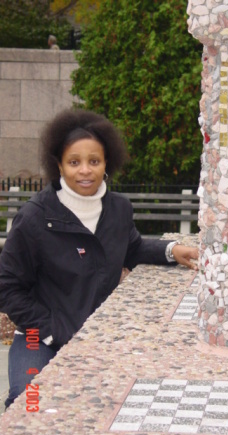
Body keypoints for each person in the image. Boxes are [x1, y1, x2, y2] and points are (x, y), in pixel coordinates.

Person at [0, 109, 198, 408]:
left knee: (123, 402)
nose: (85, 171)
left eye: (94, 161)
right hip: (37, 336)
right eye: (74, 162)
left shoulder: (117, 209)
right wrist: (51, 330)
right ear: (59, 165)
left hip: (97, 336)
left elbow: (130, 247)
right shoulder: (35, 217)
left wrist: (171, 250)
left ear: (107, 163)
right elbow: (7, 287)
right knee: (28, 401)